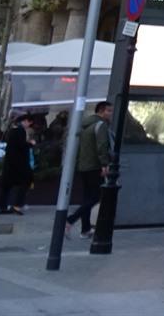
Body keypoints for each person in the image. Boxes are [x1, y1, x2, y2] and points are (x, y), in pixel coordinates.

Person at [68, 101, 111, 236]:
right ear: (102, 111)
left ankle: (85, 229)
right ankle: (70, 220)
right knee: (96, 196)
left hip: (84, 165)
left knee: (87, 197)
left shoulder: (86, 126)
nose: (111, 114)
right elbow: (102, 146)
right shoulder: (101, 125)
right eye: (109, 111)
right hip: (95, 166)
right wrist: (104, 164)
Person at [0, 113, 34, 215]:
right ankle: (17, 206)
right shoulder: (20, 131)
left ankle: (2, 206)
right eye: (29, 123)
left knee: (7, 186)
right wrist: (30, 144)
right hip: (18, 165)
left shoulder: (12, 130)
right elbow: (21, 146)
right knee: (24, 183)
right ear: (25, 121)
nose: (29, 125)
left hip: (10, 164)